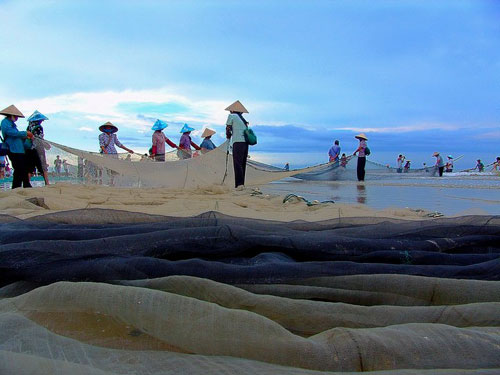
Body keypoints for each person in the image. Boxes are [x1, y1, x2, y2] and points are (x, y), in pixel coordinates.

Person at [0, 105, 33, 188]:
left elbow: (18, 136)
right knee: (20, 168)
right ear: (11, 115)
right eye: (16, 116)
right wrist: (25, 133)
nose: (17, 118)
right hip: (13, 150)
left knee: (21, 169)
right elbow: (10, 132)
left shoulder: (13, 125)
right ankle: (23, 185)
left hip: (20, 150)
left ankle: (18, 186)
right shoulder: (5, 122)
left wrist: (26, 138)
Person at [225, 100, 250, 189]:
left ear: (232, 110)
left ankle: (239, 185)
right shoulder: (243, 119)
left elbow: (228, 128)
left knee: (237, 163)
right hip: (245, 143)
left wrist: (228, 137)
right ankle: (241, 184)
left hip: (238, 142)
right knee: (242, 163)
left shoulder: (232, 116)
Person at [26, 110, 50, 185]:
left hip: (30, 149)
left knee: (30, 166)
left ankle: (27, 183)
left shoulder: (29, 127)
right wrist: (46, 145)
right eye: (41, 120)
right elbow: (39, 139)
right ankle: (47, 182)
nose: (42, 121)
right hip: (38, 149)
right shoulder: (39, 127)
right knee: (43, 166)